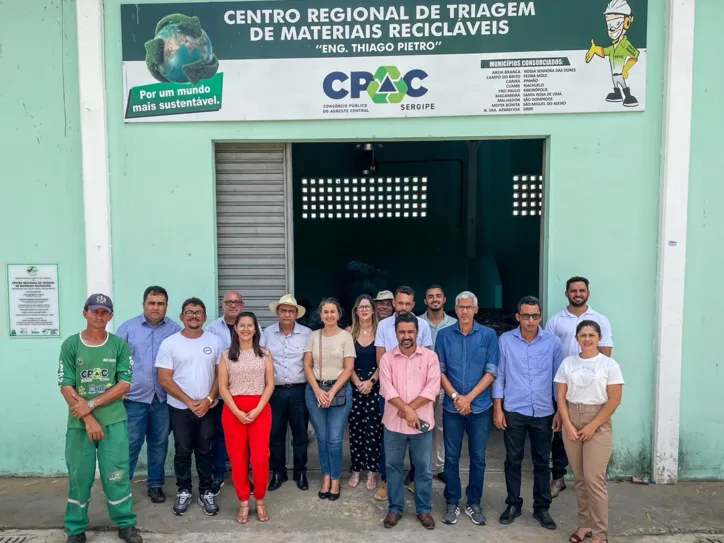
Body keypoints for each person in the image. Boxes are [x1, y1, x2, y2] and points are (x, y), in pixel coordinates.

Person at [58, 294, 143, 543]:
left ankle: (126, 523)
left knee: (116, 474)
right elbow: (65, 385)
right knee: (79, 477)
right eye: (94, 311)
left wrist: (92, 405)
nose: (99, 316)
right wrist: (88, 418)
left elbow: (124, 383)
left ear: (111, 316)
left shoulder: (118, 345)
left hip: (114, 421)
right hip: (79, 425)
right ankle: (75, 528)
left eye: (104, 312)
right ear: (85, 313)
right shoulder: (71, 345)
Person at [493, 296, 564, 531]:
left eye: (535, 315)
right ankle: (513, 504)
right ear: (518, 317)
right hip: (514, 409)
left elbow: (558, 381)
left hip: (543, 411)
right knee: (512, 460)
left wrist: (559, 411)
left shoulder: (553, 343)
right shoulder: (505, 341)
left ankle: (542, 508)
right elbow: (500, 376)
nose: (530, 320)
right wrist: (498, 408)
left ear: (540, 316)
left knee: (542, 462)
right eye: (526, 315)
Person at [554, 320, 624, 543]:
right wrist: (568, 424)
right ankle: (585, 525)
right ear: (576, 339)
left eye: (592, 335)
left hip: (599, 421)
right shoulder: (568, 363)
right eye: (583, 335)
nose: (587, 339)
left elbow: (614, 400)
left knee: (595, 480)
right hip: (572, 418)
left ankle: (600, 534)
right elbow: (561, 397)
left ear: (599, 338)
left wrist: (593, 426)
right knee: (580, 479)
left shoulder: (608, 365)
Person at [545, 276, 614, 499]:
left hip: (592, 391)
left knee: (593, 434)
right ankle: (558, 477)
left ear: (588, 293)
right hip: (564, 385)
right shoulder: (556, 321)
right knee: (560, 433)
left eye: (581, 290)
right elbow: (548, 354)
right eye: (573, 291)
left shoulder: (600, 319)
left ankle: (591, 478)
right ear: (566, 294)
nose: (577, 294)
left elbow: (606, 355)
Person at [156, 297, 223, 516]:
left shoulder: (214, 341)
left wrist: (209, 400)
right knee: (183, 451)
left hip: (208, 408)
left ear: (204, 317)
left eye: (198, 312)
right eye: (189, 312)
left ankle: (205, 491)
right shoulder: (170, 343)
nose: (194, 316)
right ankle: (184, 490)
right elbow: (165, 379)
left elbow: (221, 376)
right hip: (180, 408)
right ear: (182, 316)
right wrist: (189, 401)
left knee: (205, 450)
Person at [436, 291, 498, 526]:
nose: (464, 311)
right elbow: (440, 370)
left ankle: (474, 502)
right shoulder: (443, 336)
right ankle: (452, 501)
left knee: (478, 458)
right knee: (451, 458)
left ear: (476, 309)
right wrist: (455, 397)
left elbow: (491, 371)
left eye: (468, 307)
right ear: (455, 309)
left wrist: (468, 398)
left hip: (479, 407)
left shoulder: (489, 335)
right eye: (460, 307)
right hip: (453, 408)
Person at [116, 285, 182, 504]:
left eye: (160, 304)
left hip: (163, 399)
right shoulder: (128, 328)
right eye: (151, 303)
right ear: (144, 304)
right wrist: (117, 389)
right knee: (131, 443)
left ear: (166, 306)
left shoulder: (174, 329)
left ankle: (155, 485)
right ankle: (122, 488)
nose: (156, 308)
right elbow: (114, 360)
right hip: (134, 398)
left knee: (159, 443)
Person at [379, 313, 441, 530]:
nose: (406, 336)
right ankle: (395, 509)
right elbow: (387, 389)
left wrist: (410, 410)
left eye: (410, 332)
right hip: (394, 425)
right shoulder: (386, 359)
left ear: (417, 332)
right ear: (396, 333)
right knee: (393, 466)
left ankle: (423, 510)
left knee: (423, 468)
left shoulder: (430, 357)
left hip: (421, 423)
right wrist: (407, 410)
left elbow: (432, 388)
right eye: (402, 332)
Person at [374, 286, 433, 500]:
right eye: (400, 303)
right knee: (391, 442)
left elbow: (426, 362)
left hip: (418, 399)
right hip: (391, 396)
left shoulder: (423, 325)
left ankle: (415, 483)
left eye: (408, 304)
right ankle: (388, 482)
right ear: (393, 304)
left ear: (413, 305)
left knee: (419, 448)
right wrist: (399, 403)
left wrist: (409, 407)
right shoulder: (383, 325)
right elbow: (381, 361)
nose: (403, 307)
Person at [218, 312, 274, 524]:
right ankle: (243, 502)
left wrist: (258, 408)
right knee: (238, 459)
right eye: (242, 325)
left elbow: (270, 384)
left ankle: (260, 500)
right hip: (234, 412)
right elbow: (222, 387)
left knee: (260, 457)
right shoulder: (226, 356)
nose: (246, 329)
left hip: (260, 410)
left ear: (255, 329)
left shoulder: (265, 354)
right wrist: (236, 411)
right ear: (236, 328)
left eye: (250, 325)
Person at [304, 298, 355, 500]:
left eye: (333, 311)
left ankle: (335, 479)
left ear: (339, 314)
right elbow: (307, 365)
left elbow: (349, 368)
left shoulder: (345, 337)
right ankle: (325, 476)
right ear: (320, 314)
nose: (329, 315)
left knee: (334, 439)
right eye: (325, 312)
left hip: (339, 391)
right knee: (322, 439)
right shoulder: (313, 336)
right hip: (315, 390)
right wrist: (317, 390)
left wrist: (331, 391)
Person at [261, 294, 312, 492]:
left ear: (296, 314)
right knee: (275, 434)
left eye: (291, 311)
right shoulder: (267, 333)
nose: (287, 314)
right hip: (274, 391)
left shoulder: (307, 333)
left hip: (299, 390)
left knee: (300, 434)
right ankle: (278, 472)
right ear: (277, 312)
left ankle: (300, 472)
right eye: (284, 310)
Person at [206, 291, 254, 495]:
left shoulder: (253, 326)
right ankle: (218, 475)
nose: (233, 305)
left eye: (236, 302)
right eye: (229, 302)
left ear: (242, 305)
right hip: (220, 394)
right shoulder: (211, 330)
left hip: (247, 393)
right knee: (220, 436)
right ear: (222, 305)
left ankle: (244, 477)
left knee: (246, 438)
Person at [419, 285, 458, 483]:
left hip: (445, 383)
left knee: (442, 427)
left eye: (438, 296)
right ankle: (421, 466)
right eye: (430, 296)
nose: (434, 299)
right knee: (421, 426)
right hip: (421, 385)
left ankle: (441, 466)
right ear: (425, 301)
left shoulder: (454, 324)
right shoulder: (417, 323)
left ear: (444, 299)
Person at [346, 294, 382, 491]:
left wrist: (371, 381)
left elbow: (382, 363)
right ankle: (356, 469)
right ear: (356, 311)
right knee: (355, 430)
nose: (365, 310)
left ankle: (372, 471)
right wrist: (358, 382)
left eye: (368, 306)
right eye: (361, 307)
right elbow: (346, 364)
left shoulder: (381, 332)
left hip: (375, 385)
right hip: (355, 385)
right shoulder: (349, 332)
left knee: (374, 430)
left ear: (373, 309)